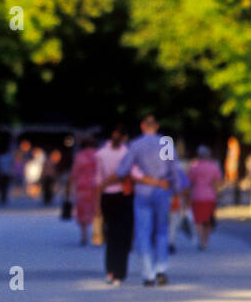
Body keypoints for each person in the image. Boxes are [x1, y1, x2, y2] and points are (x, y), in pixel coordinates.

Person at [116, 114, 185, 286]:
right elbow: (175, 171)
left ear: (142, 126)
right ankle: (161, 268)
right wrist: (177, 192)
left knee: (144, 232)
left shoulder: (136, 144)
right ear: (157, 126)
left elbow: (122, 170)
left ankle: (148, 273)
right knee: (162, 231)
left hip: (143, 193)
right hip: (162, 190)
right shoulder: (165, 143)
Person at [95, 125, 133, 284]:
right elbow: (130, 173)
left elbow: (98, 179)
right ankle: (120, 272)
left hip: (107, 196)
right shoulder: (128, 152)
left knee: (110, 234)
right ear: (124, 137)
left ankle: (110, 270)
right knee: (123, 236)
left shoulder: (101, 153)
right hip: (124, 195)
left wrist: (97, 203)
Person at [189, 145, 223, 249]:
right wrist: (217, 194)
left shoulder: (194, 166)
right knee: (208, 220)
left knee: (198, 219)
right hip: (210, 196)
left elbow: (190, 181)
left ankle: (200, 240)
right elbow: (217, 182)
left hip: (197, 195)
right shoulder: (214, 166)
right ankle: (206, 240)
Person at [68, 138, 98, 245]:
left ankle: (84, 236)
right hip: (97, 186)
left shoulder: (79, 157)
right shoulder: (99, 155)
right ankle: (97, 235)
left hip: (82, 187)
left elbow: (74, 174)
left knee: (82, 211)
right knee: (96, 210)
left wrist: (69, 189)